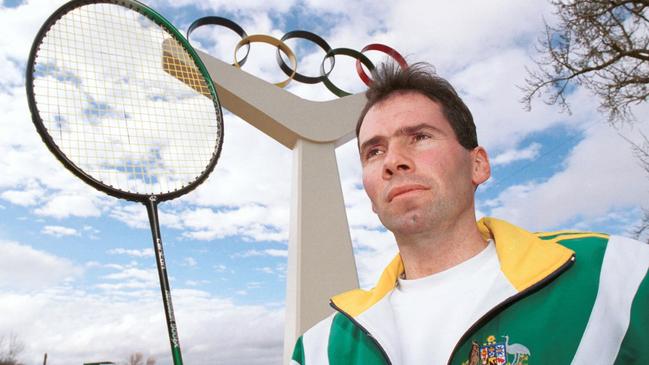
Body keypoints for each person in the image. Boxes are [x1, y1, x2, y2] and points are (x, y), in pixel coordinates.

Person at [290, 62, 649, 365]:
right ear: (369, 194)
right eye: (374, 151)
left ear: (478, 164)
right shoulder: (320, 349)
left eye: (419, 137)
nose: (393, 162)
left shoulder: (616, 276)